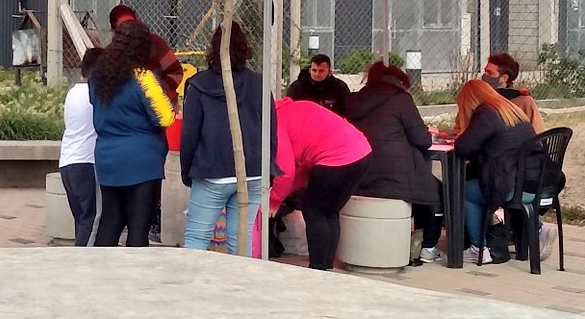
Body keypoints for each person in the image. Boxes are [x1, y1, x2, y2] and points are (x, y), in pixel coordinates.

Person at [180, 22, 270, 256]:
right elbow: (271, 129)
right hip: (253, 170)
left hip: (212, 170)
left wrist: (187, 171)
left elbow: (189, 134)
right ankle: (241, 288)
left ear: (213, 49)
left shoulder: (199, 85)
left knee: (196, 238)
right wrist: (268, 170)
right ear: (245, 49)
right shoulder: (260, 84)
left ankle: (188, 290)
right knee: (242, 241)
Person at [345, 62, 444, 263]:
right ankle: (427, 248)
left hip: (357, 175)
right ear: (399, 82)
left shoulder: (353, 101)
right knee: (435, 192)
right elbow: (422, 140)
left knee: (424, 186)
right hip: (393, 178)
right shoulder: (401, 100)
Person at [89, 20, 175, 247]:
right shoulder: (143, 78)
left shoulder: (98, 77)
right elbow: (166, 117)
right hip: (142, 162)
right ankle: (135, 279)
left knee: (110, 220)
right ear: (142, 47)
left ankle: (96, 276)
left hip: (107, 157)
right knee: (138, 228)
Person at [454, 79, 551, 265]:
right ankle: (537, 228)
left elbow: (463, 147)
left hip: (513, 185)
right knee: (479, 184)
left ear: (470, 100)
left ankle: (478, 248)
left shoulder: (486, 113)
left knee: (465, 192)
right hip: (534, 184)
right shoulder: (510, 110)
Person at [270, 97, 371, 269]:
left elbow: (286, 172)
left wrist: (273, 202)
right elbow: (304, 169)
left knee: (314, 210)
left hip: (337, 157)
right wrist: (283, 192)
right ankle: (326, 266)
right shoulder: (295, 108)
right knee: (329, 211)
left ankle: (317, 269)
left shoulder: (276, 123)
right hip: (360, 151)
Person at [59, 47, 103, 246]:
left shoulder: (73, 92)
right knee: (92, 219)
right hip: (87, 163)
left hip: (67, 162)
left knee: (81, 219)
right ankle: (81, 264)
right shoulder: (95, 96)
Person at [109, 4, 183, 103]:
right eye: (123, 28)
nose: (129, 29)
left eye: (132, 24)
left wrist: (157, 92)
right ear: (114, 32)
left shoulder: (155, 43)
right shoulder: (111, 54)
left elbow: (176, 72)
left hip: (161, 106)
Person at [482, 53, 545, 133]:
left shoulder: (522, 101)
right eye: (485, 72)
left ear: (504, 78)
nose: (484, 75)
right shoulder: (476, 97)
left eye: (490, 73)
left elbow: (539, 134)